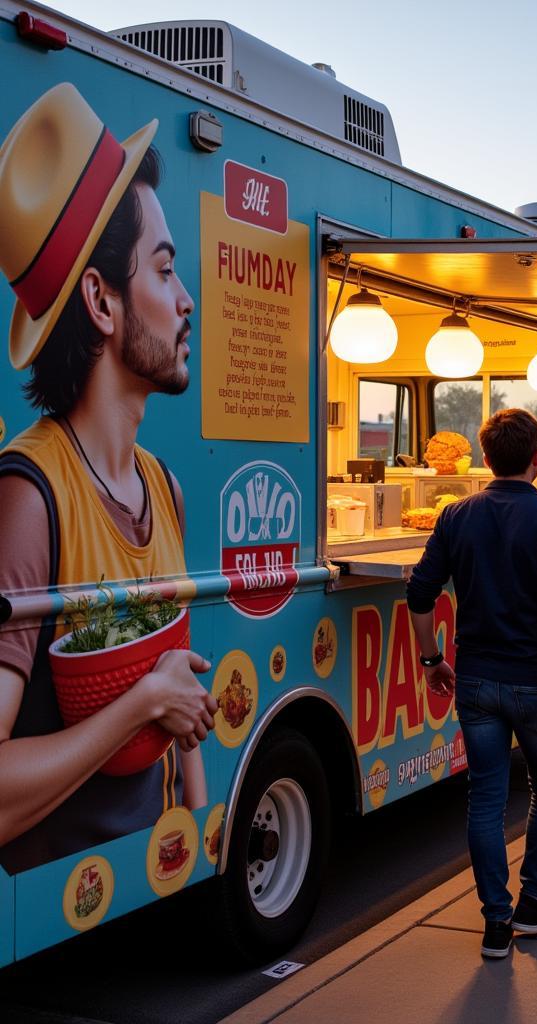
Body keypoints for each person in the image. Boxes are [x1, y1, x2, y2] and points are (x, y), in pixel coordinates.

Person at [0, 84, 217, 874]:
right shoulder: (30, 497)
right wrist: (139, 706)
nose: (187, 301)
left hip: (154, 882)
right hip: (64, 913)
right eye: (164, 271)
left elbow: (180, 691)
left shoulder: (163, 487)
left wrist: (203, 841)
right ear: (101, 300)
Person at [406, 408, 537, 959]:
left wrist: (430, 659)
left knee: (485, 799)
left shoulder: (456, 514)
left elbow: (420, 593)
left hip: (477, 680)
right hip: (536, 678)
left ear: (485, 459)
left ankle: (495, 923)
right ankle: (535, 902)